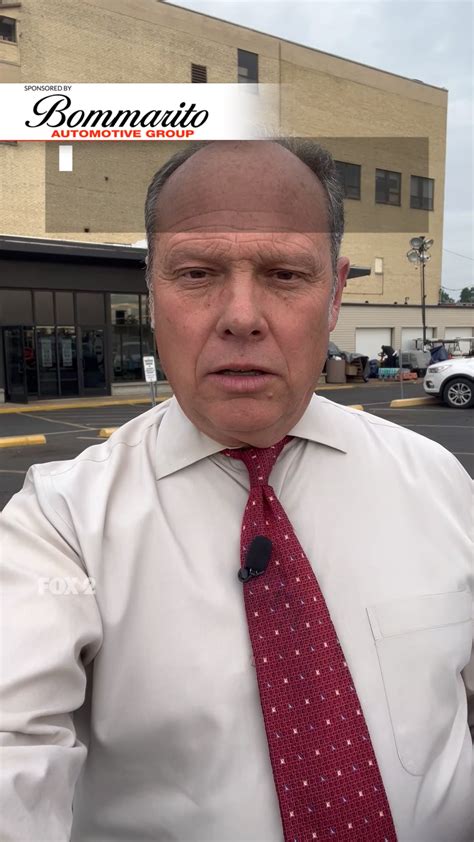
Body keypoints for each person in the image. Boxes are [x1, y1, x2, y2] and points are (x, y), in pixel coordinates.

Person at [0, 139, 472, 842]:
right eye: (197, 273)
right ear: (152, 290)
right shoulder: (59, 524)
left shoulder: (439, 482)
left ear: (336, 294)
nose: (241, 315)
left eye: (285, 273)